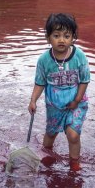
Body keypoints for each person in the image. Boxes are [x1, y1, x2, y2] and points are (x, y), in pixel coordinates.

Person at [28, 13, 90, 171]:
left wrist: (76, 100)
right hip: (54, 105)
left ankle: (74, 163)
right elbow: (40, 82)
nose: (62, 40)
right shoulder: (44, 60)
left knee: (73, 135)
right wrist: (33, 100)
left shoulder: (79, 56)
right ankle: (46, 157)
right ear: (48, 38)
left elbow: (84, 80)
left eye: (66, 35)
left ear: (73, 37)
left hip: (76, 103)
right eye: (56, 35)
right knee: (50, 134)